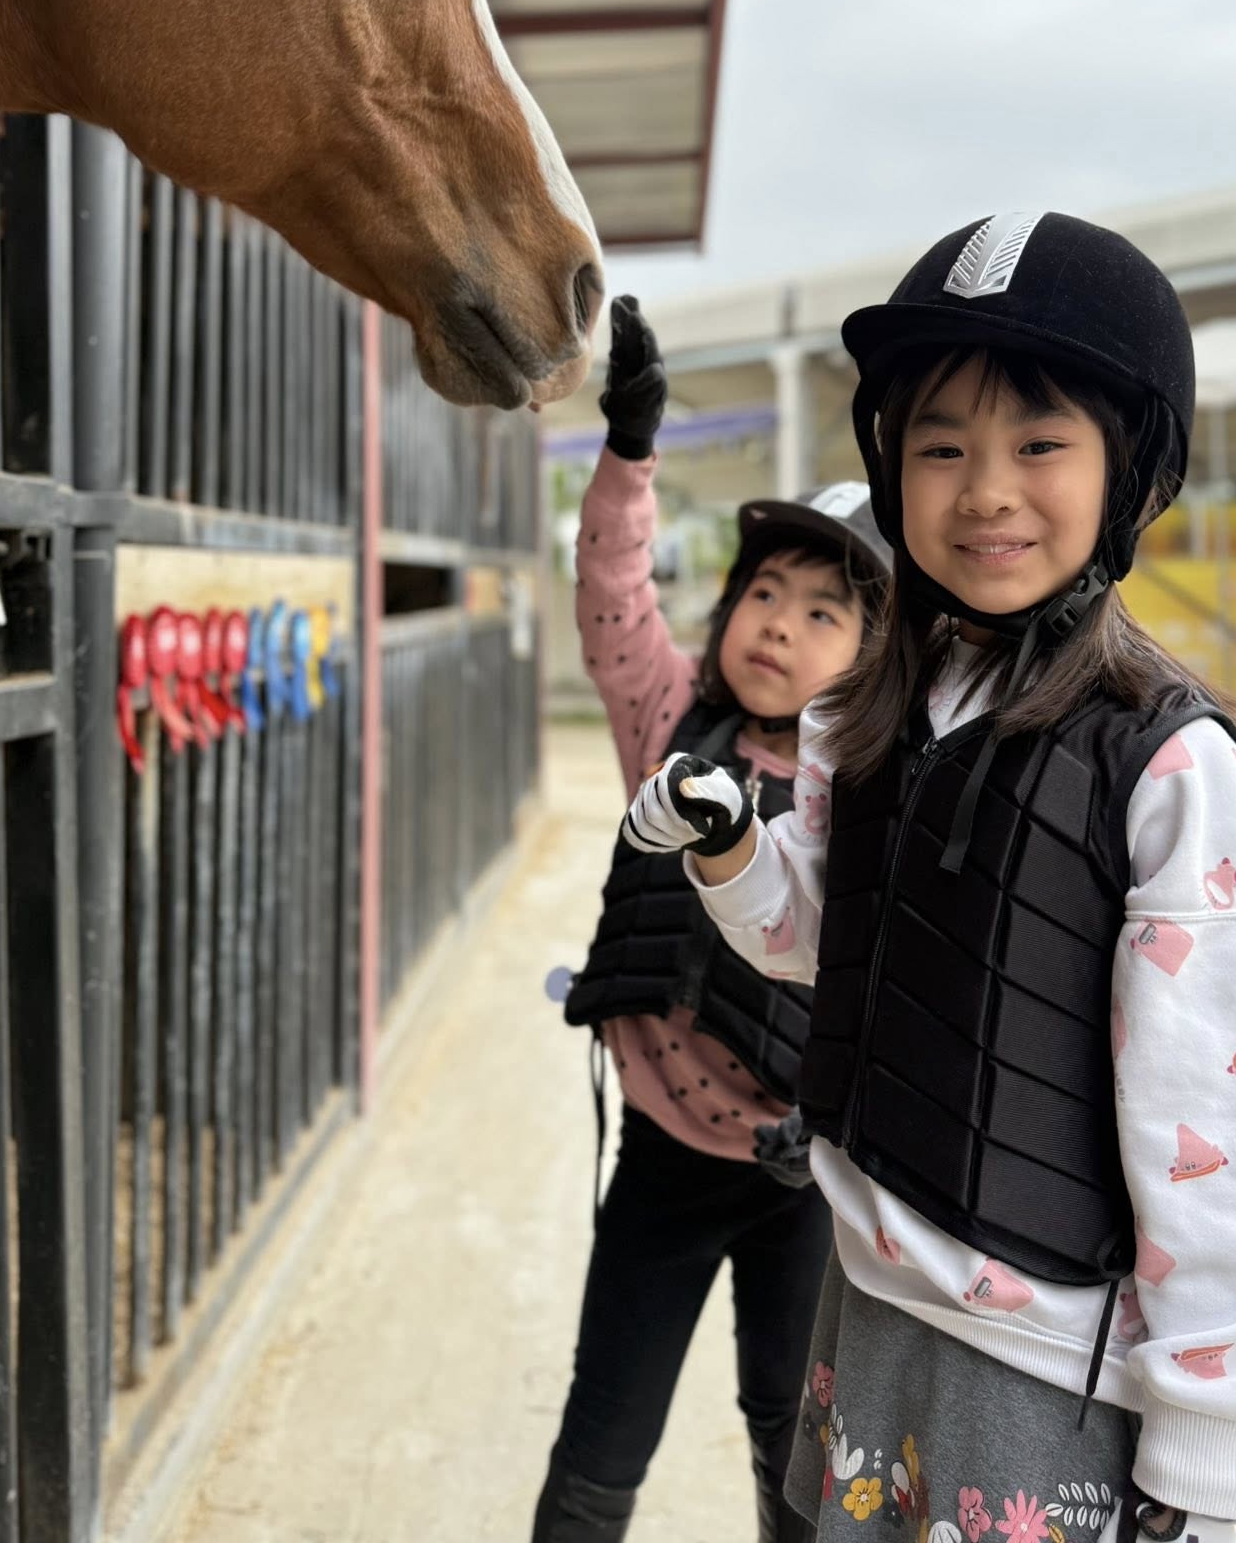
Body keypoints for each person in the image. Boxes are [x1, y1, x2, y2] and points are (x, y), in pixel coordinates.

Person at [620, 216, 1236, 1543]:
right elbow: (833, 945)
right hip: (867, 1301)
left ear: (1130, 468)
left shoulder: (1170, 771)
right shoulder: (869, 716)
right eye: (941, 447)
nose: (986, 490)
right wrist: (731, 847)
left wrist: (1207, 1436)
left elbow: (1231, 1124)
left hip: (1041, 1361)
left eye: (1039, 444)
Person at [534, 297, 892, 1543]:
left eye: (824, 610)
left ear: (878, 656)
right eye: (765, 591)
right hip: (662, 1160)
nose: (779, 622)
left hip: (805, 1186)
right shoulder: (669, 726)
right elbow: (612, 593)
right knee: (601, 1437)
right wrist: (630, 449)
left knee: (795, 1451)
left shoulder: (877, 791)